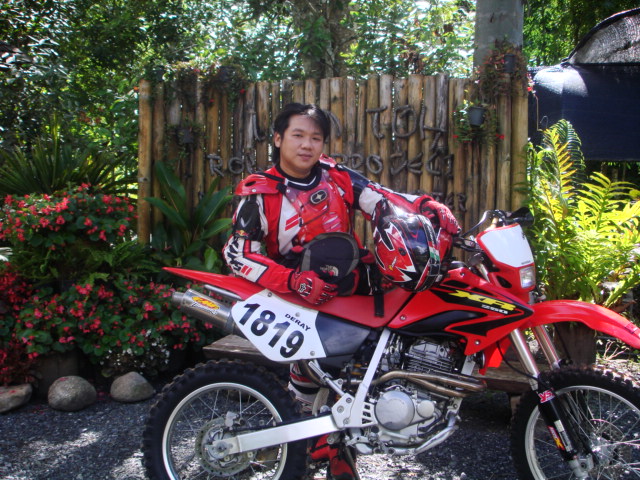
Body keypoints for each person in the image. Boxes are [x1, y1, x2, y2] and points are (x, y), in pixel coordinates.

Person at [222, 102, 459, 480]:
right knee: (311, 373)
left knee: (359, 371)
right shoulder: (260, 192)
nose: (307, 145)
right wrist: (292, 281)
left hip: (353, 287)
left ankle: (338, 448)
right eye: (298, 135)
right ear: (278, 139)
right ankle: (293, 443)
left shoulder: (337, 177)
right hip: (297, 295)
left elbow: (381, 200)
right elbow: (237, 254)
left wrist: (425, 205)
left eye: (315, 138)